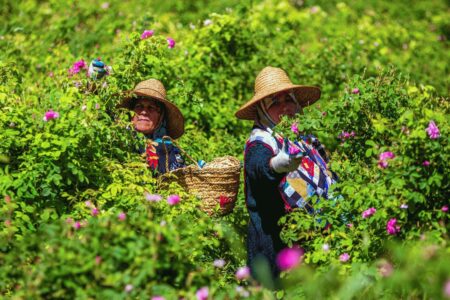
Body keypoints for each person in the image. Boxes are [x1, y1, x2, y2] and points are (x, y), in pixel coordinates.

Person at [235, 66, 335, 287]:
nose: (285, 107)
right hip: (274, 248)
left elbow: (326, 170)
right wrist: (276, 165)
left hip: (312, 242)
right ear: (262, 109)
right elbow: (258, 168)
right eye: (275, 103)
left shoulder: (304, 138)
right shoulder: (261, 142)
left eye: (287, 99)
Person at [118, 78, 186, 174]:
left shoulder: (170, 153)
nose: (144, 112)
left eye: (151, 108)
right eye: (139, 106)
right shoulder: (117, 139)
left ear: (160, 117)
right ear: (130, 113)